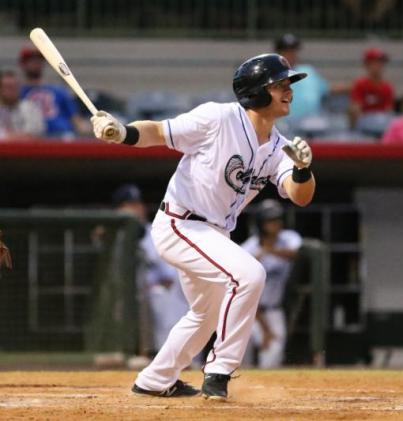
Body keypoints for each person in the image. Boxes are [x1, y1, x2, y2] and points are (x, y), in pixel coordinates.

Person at [90, 53, 315, 400]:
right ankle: (220, 371)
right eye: (279, 85)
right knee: (249, 274)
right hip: (181, 223)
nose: (288, 91)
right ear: (256, 92)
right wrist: (122, 132)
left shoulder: (278, 147)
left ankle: (154, 380)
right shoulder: (219, 118)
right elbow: (159, 132)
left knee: (205, 314)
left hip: (214, 233)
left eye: (288, 85)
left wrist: (302, 169)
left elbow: (299, 196)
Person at [112, 184, 189, 358]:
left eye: (138, 204)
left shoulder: (154, 232)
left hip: (153, 292)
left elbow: (168, 277)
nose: (137, 209)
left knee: (161, 296)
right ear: (119, 209)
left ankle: (167, 357)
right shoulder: (112, 235)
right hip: (122, 295)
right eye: (129, 205)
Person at [241, 200, 302, 368]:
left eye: (277, 219)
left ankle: (267, 393)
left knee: (273, 354)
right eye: (270, 220)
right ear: (261, 223)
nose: (275, 224)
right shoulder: (249, 248)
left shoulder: (288, 238)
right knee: (240, 353)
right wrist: (265, 329)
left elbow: (295, 254)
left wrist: (269, 251)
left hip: (274, 309)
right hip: (250, 310)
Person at [18, 45, 89, 139]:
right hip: (32, 139)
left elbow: (77, 122)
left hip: (63, 137)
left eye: (39, 60)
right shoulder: (15, 93)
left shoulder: (59, 91)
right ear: (23, 64)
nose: (36, 63)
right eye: (31, 60)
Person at [275, 33, 346, 119]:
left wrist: (354, 86)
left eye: (293, 50)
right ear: (278, 53)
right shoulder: (271, 74)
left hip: (312, 122)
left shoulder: (308, 70)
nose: (290, 54)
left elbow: (327, 88)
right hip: (283, 124)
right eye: (286, 51)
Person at [349, 48, 394, 126]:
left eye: (381, 63)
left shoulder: (387, 87)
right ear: (367, 65)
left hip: (382, 124)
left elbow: (388, 110)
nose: (379, 66)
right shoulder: (360, 84)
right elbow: (356, 108)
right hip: (363, 125)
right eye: (375, 63)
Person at [0, 69, 45, 140]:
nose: (12, 90)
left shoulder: (31, 107)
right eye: (8, 87)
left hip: (28, 150)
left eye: (15, 86)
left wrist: (6, 136)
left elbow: (34, 135)